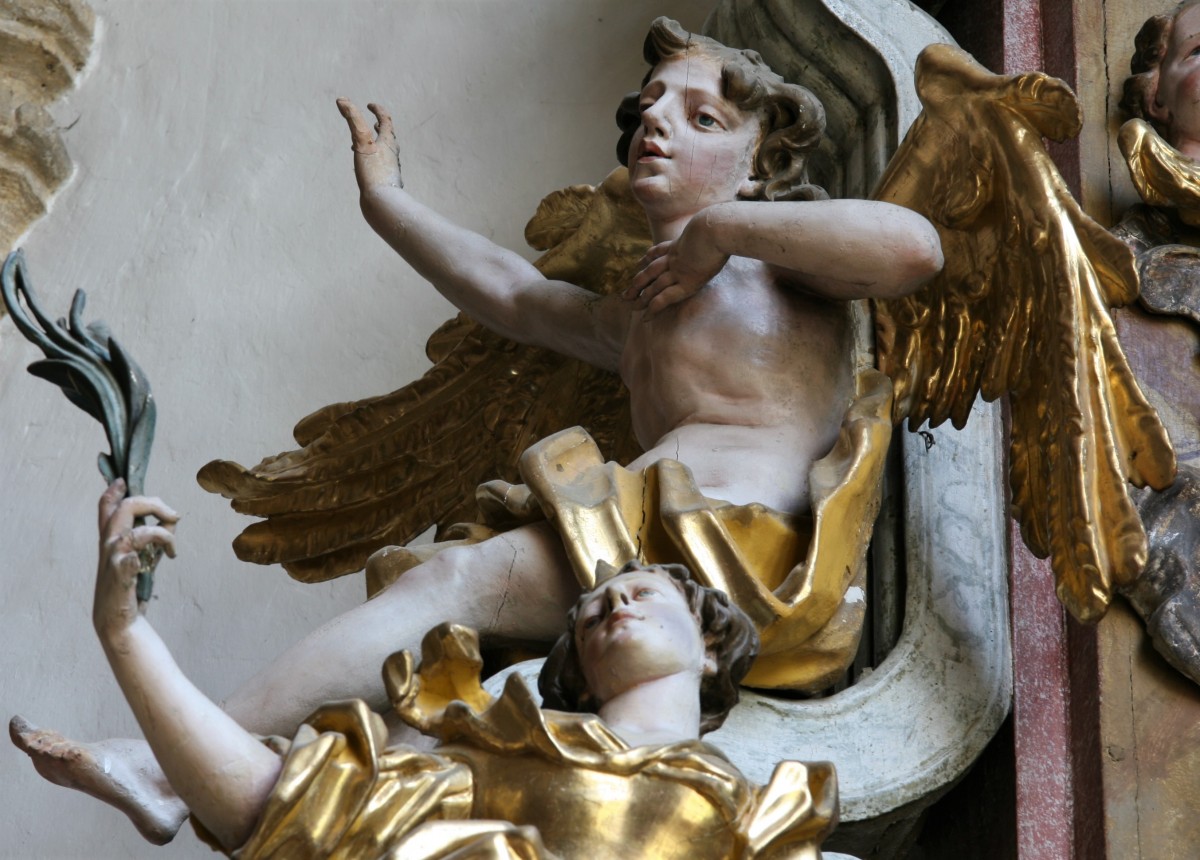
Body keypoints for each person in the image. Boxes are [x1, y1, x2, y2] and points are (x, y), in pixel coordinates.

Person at [12, 17, 939, 843]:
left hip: (738, 549)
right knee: (438, 652)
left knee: (456, 582)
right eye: (650, 104)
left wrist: (724, 231)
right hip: (639, 541)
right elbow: (513, 294)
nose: (656, 120)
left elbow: (914, 249)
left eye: (703, 118)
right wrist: (388, 203)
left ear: (761, 160)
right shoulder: (642, 312)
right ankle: (246, 775)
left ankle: (175, 767)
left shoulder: (784, 268)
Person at [38, 482, 836, 858]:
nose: (613, 602)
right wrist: (123, 631)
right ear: (580, 677)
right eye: (593, 606)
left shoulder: (756, 820)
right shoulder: (487, 764)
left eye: (643, 593)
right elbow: (272, 807)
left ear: (709, 646)